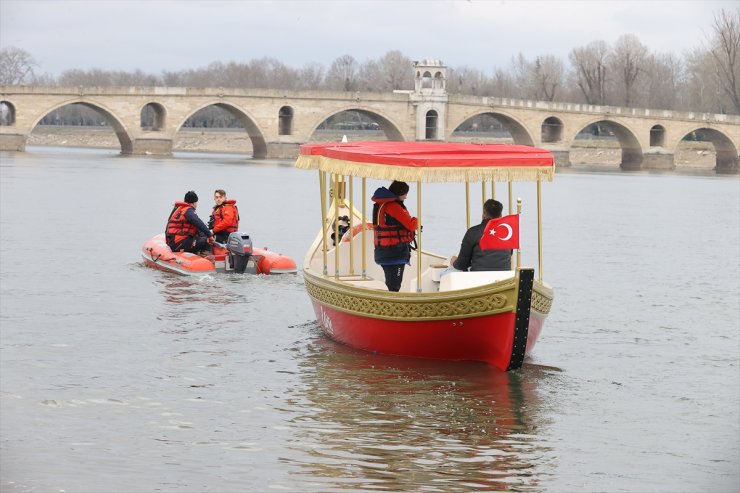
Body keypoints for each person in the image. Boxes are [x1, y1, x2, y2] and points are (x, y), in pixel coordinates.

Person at [371, 181, 418, 292]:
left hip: (383, 252)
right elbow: (411, 225)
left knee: (391, 284)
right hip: (395, 254)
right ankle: (390, 307)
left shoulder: (381, 204)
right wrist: (416, 219)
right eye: (405, 194)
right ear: (399, 192)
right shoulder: (393, 206)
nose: (406, 197)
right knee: (394, 287)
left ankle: (387, 305)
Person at [449, 199, 512, 272]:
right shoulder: (508, 234)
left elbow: (462, 265)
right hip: (505, 279)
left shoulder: (473, 232)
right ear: (501, 216)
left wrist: (453, 262)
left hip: (479, 279)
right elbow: (508, 255)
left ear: (484, 214)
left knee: (447, 272)